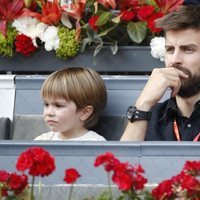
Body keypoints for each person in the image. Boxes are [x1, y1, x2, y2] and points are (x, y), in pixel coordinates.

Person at [121, 5, 200, 141]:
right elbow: (122, 161)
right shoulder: (147, 114)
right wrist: (142, 104)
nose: (174, 60)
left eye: (187, 49)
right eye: (169, 49)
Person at [35, 67, 107, 141]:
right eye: (46, 104)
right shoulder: (42, 140)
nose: (49, 112)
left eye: (58, 106)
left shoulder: (95, 144)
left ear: (85, 112)